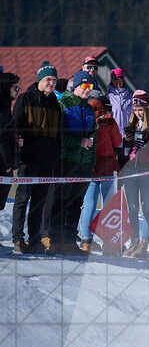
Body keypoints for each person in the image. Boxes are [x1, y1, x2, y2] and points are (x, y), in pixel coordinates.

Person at [12, 61, 62, 254]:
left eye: (55, 80)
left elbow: (59, 134)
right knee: (23, 198)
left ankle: (34, 240)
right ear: (40, 80)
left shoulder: (55, 104)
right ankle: (18, 239)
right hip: (28, 158)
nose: (52, 83)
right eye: (48, 79)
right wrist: (18, 146)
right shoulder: (25, 99)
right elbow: (16, 125)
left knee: (39, 202)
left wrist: (55, 156)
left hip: (47, 161)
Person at [51, 71, 98, 256]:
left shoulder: (89, 109)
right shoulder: (63, 104)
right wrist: (78, 143)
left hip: (84, 164)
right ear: (76, 86)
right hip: (67, 161)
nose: (88, 90)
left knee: (76, 203)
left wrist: (92, 160)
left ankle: (70, 241)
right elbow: (59, 135)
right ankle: (55, 241)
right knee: (60, 202)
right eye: (84, 86)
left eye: (91, 87)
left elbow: (93, 137)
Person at [77, 96, 122, 253]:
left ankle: (86, 241)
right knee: (108, 206)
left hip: (90, 166)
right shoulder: (109, 119)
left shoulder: (85, 116)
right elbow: (117, 142)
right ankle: (108, 243)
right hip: (107, 166)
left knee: (88, 205)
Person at [122, 90, 149, 257]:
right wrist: (126, 143)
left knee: (147, 207)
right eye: (135, 109)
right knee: (132, 207)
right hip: (130, 169)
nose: (138, 113)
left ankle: (144, 243)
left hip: (147, 168)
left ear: (147, 108)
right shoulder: (131, 125)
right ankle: (135, 241)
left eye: (141, 109)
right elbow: (124, 153)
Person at [0, 72, 20, 217]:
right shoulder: (1, 108)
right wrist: (7, 163)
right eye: (15, 88)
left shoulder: (6, 106)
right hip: (2, 165)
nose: (17, 91)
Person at [106, 68, 132, 136]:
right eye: (115, 78)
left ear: (123, 79)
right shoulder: (108, 97)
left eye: (120, 77)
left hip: (127, 137)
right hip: (113, 136)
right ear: (111, 80)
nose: (117, 80)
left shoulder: (130, 97)